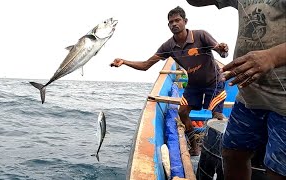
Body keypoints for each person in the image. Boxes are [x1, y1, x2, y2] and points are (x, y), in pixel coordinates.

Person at [186, 0, 286, 179]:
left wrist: (272, 56)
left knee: (278, 171)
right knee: (232, 154)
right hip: (249, 95)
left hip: (283, 99)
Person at [110, 6, 229, 156]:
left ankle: (216, 153)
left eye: (177, 20)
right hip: (193, 85)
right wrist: (124, 61)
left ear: (185, 21)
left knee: (217, 116)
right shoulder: (169, 46)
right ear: (168, 26)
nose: (174, 24)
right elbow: (146, 65)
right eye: (171, 22)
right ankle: (195, 146)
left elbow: (222, 52)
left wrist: (223, 49)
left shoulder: (201, 35)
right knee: (182, 112)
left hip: (214, 81)